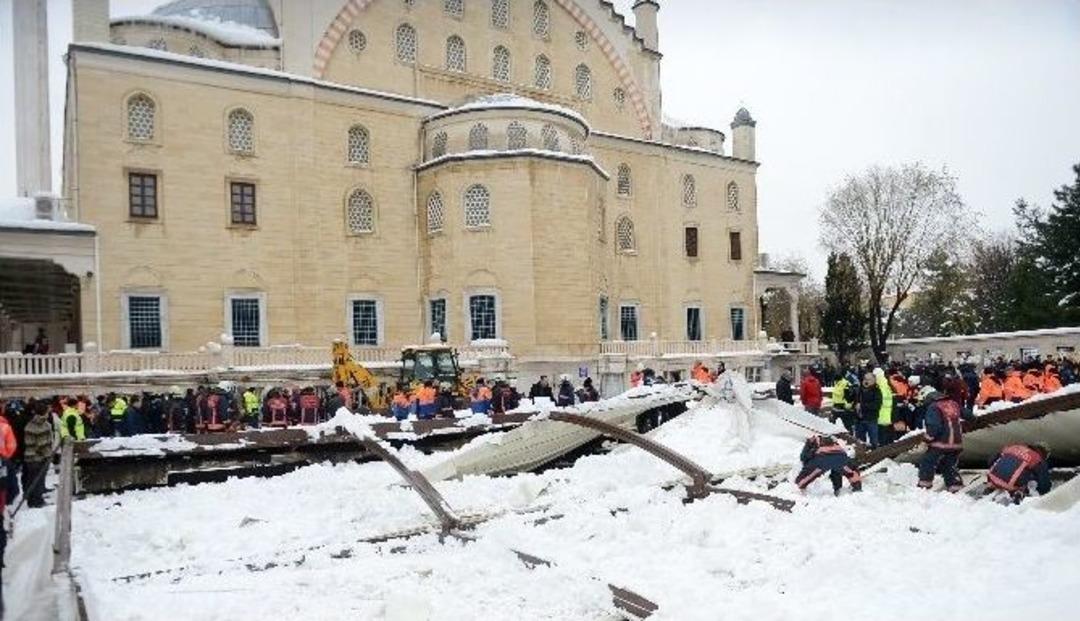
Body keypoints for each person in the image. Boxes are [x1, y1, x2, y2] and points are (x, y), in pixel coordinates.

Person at [917, 381, 973, 493]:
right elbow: (970, 416)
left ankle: (924, 485)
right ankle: (955, 486)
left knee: (928, 461)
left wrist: (926, 440)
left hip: (941, 443)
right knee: (949, 465)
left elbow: (934, 427)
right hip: (956, 443)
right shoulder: (953, 403)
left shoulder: (933, 407)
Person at [795, 435, 861, 495]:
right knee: (849, 470)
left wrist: (810, 451)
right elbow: (844, 454)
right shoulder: (833, 440)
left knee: (802, 481)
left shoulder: (811, 442)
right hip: (841, 458)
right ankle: (854, 488)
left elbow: (803, 457)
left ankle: (796, 488)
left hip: (822, 460)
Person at [987, 443, 1052, 504]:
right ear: (1044, 454)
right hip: (1011, 485)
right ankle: (1020, 493)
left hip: (992, 478)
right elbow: (1044, 482)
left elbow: (991, 460)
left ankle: (990, 488)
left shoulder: (1013, 447)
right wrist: (1044, 492)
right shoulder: (1037, 459)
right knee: (1034, 477)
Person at [22, 401, 53, 508]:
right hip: (38, 458)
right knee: (38, 481)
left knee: (32, 480)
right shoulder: (43, 426)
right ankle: (38, 501)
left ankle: (31, 501)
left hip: (29, 457)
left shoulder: (30, 424)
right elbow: (42, 445)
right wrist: (49, 456)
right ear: (44, 412)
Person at [855, 372, 881, 448]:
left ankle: (875, 456)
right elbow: (855, 402)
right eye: (865, 379)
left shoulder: (876, 391)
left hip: (871, 419)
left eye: (869, 379)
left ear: (874, 380)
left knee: (874, 441)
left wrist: (862, 406)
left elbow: (876, 405)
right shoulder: (859, 389)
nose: (866, 381)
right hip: (859, 419)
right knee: (860, 442)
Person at [874, 368, 894, 446]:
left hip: (880, 414)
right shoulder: (886, 384)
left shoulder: (879, 386)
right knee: (885, 435)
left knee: (881, 437)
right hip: (886, 414)